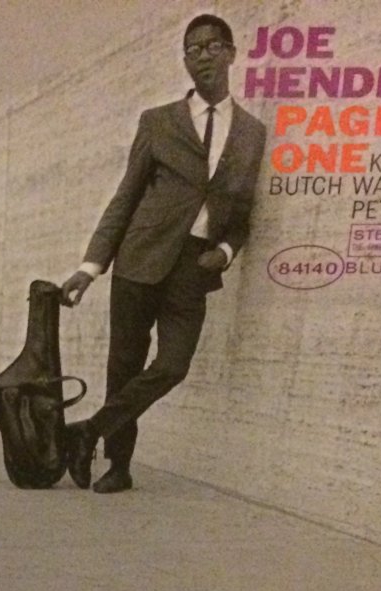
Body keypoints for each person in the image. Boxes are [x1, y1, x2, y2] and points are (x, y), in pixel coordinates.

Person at [59, 13, 267, 494]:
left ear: (231, 53)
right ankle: (119, 466)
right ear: (185, 61)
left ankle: (87, 431)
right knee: (124, 366)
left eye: (212, 46)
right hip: (139, 258)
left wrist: (226, 251)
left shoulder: (252, 133)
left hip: (194, 267)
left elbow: (243, 212)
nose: (202, 56)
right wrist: (91, 266)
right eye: (193, 49)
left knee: (173, 365)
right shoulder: (157, 122)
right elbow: (126, 197)